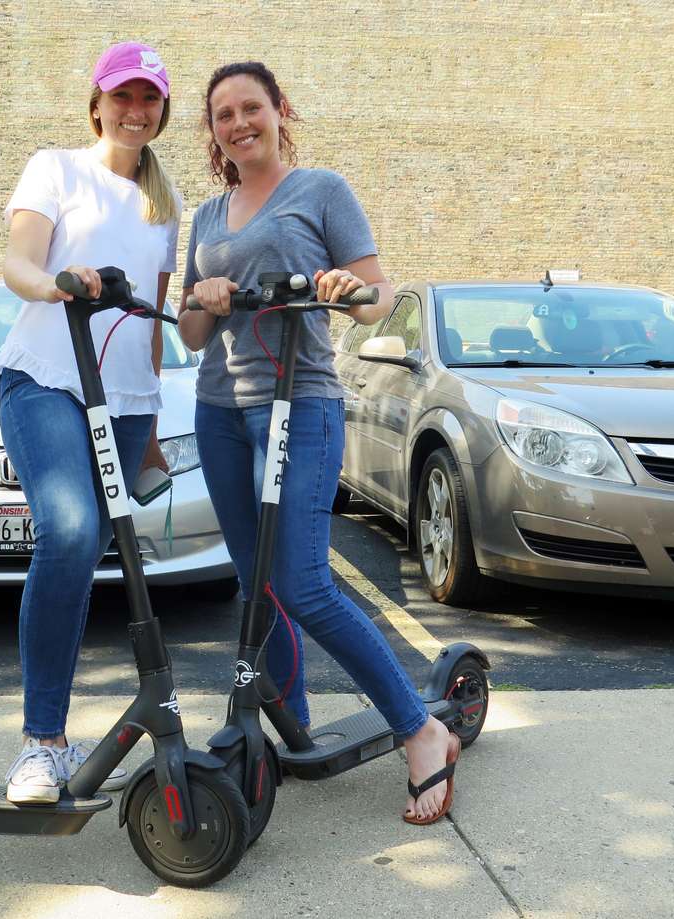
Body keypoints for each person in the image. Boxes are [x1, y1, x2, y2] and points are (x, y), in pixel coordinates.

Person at [177, 61, 461, 825]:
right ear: (213, 131)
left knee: (301, 584)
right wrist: (201, 299)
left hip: (301, 404)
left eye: (251, 108)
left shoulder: (322, 191)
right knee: (254, 587)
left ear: (279, 112)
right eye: (223, 114)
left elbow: (378, 299)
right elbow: (192, 331)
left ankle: (421, 728)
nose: (239, 123)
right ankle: (288, 720)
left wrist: (342, 286)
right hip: (222, 411)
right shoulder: (206, 216)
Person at [0, 42, 180, 805]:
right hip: (44, 378)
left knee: (107, 555)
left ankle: (146, 720)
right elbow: (17, 262)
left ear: (161, 109)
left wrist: (158, 420)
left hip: (127, 402)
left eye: (150, 98)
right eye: (123, 95)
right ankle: (43, 743)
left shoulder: (166, 207)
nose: (136, 110)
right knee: (69, 533)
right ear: (96, 102)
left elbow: (153, 328)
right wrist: (58, 284)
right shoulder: (56, 168)